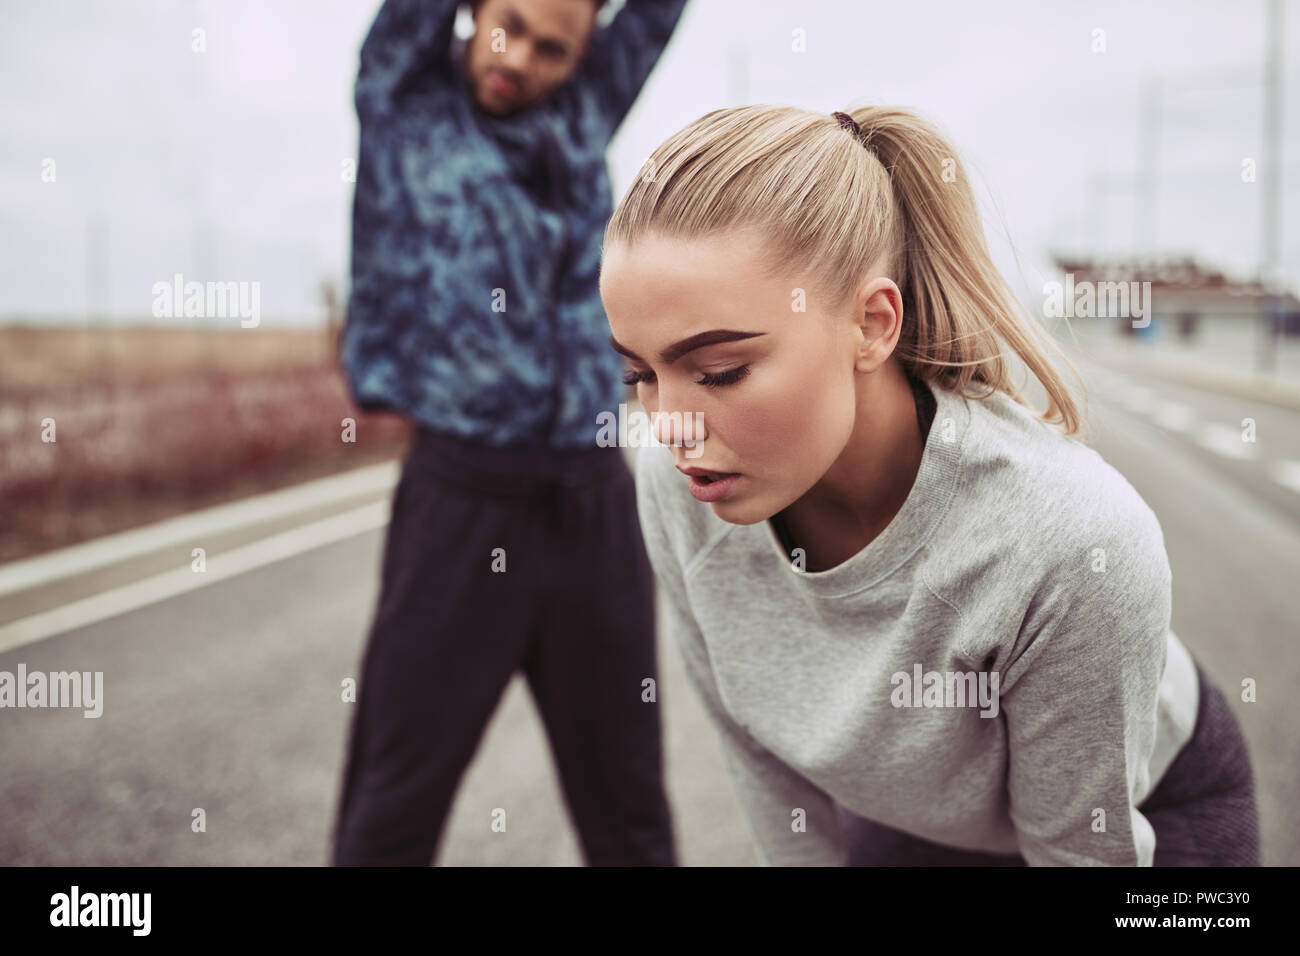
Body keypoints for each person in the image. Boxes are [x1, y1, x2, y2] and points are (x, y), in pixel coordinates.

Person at [598, 104, 1261, 866]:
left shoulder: (1074, 540)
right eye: (638, 374)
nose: (671, 425)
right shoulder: (673, 482)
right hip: (916, 813)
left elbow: (1075, 851)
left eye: (720, 373)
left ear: (873, 325)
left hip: (1136, 813)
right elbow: (756, 753)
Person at [331, 0, 691, 866]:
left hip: (594, 502)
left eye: (552, 48)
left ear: (583, 59)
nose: (518, 58)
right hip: (462, 500)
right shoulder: (403, 95)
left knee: (630, 810)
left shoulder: (583, 110)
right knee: (392, 808)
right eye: (509, 25)